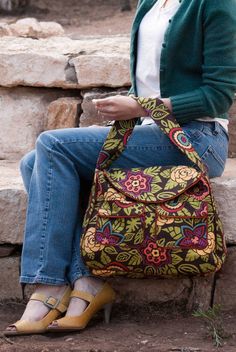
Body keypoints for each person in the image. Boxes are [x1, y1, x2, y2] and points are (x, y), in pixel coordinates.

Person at [5, 0, 236, 335]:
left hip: (198, 137)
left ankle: (50, 285)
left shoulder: (215, 4)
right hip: (150, 131)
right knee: (35, 161)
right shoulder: (150, 2)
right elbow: (149, 81)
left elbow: (218, 95)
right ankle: (86, 282)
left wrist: (139, 106)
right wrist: (127, 111)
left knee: (52, 146)